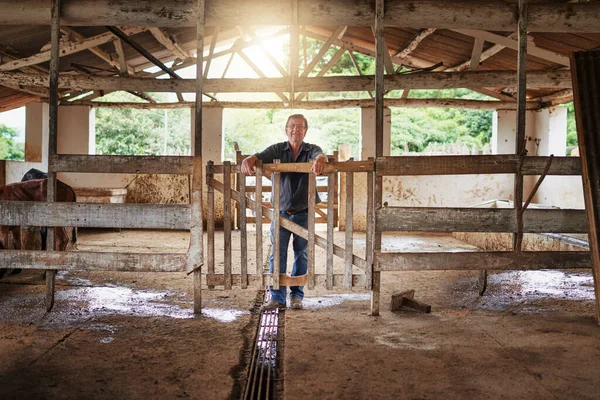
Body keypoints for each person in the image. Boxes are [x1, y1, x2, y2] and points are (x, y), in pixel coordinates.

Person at [241, 114, 327, 311]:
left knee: (301, 253)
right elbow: (259, 156)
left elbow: (320, 155)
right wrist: (249, 159)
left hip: (303, 212)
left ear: (305, 130)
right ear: (286, 129)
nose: (295, 130)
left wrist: (321, 160)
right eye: (292, 126)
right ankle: (277, 297)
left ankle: (296, 296)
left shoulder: (310, 149)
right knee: (277, 254)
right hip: (280, 212)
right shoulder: (278, 148)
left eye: (300, 127)